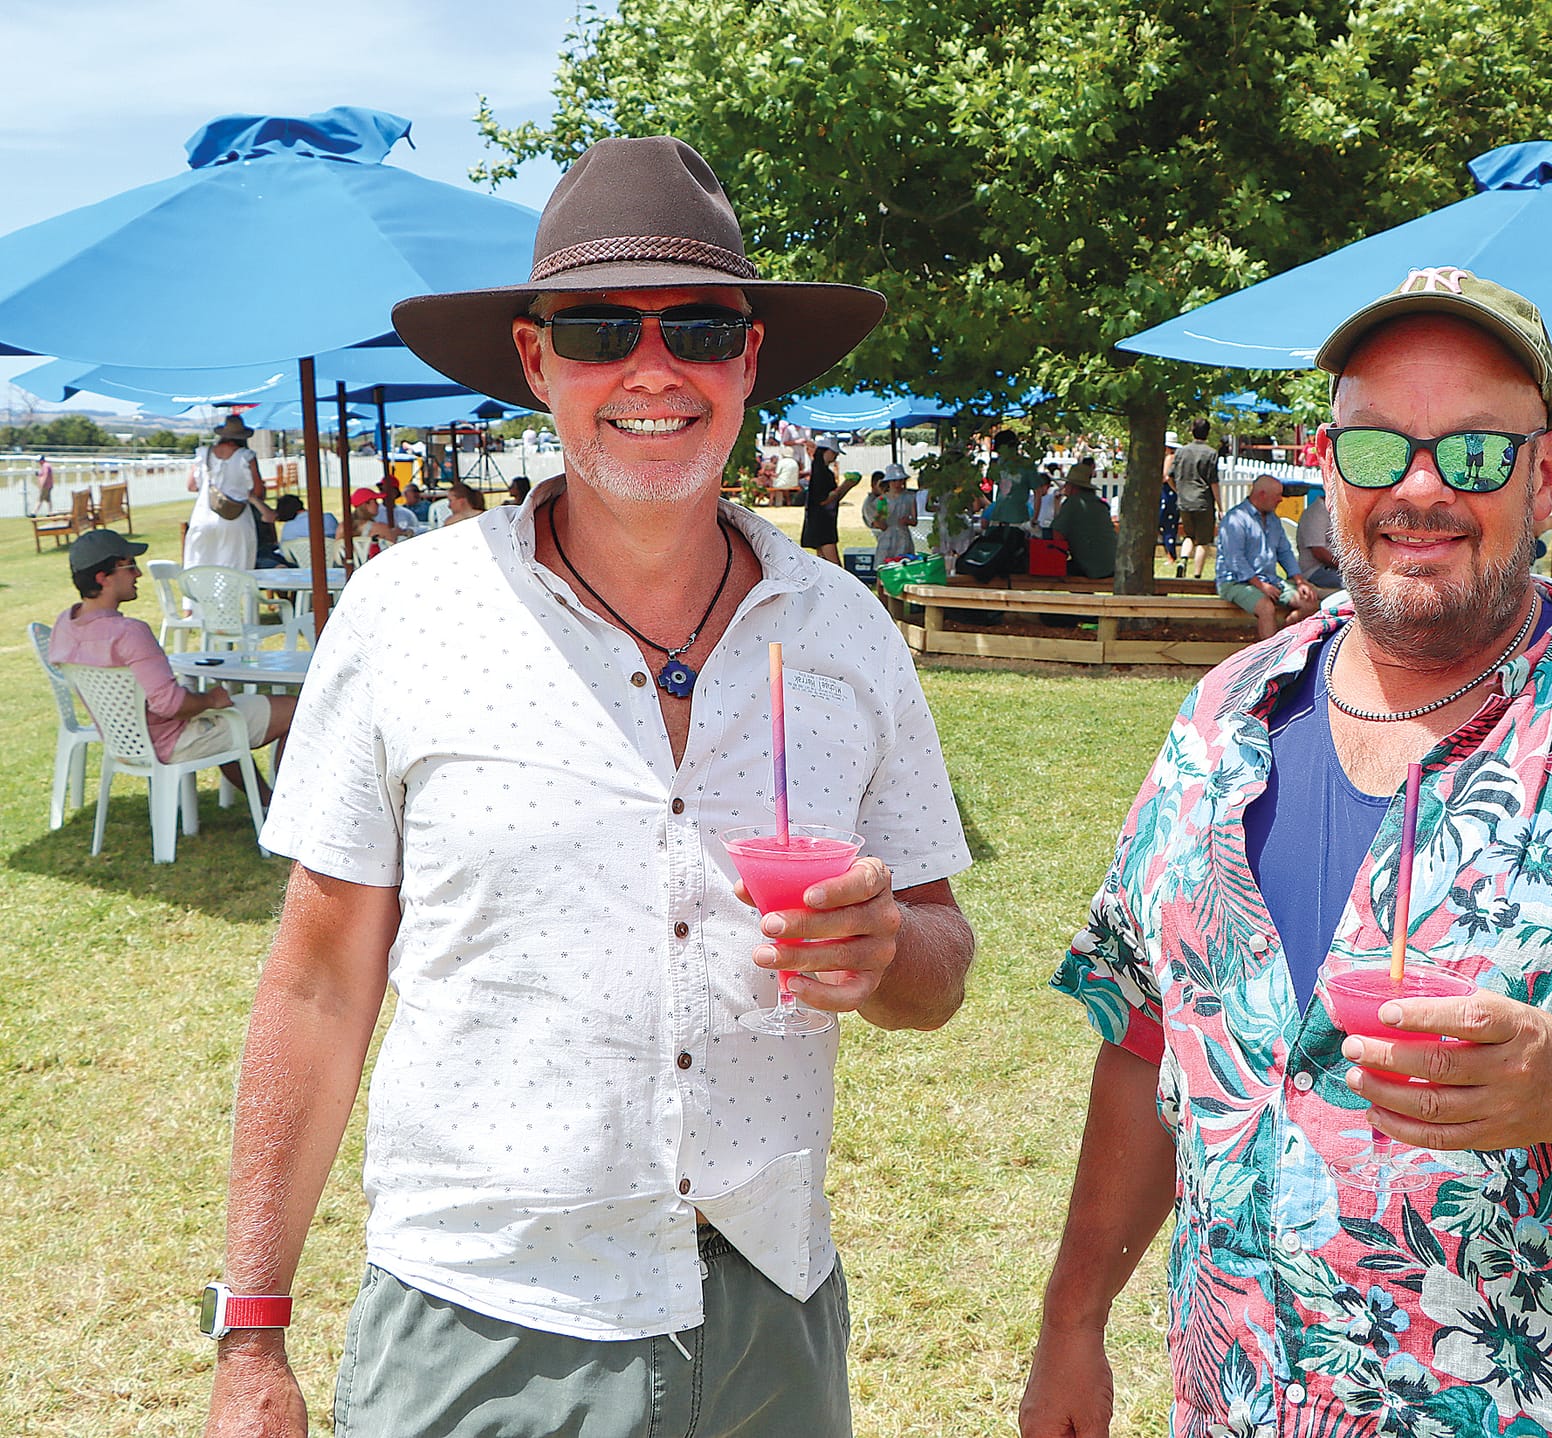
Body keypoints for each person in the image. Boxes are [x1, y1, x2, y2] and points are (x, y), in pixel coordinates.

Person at [1022, 267, 1552, 1438]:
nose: (1421, 489)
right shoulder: (1227, 716)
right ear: (1325, 465)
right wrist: (1072, 1321)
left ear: (1542, 473)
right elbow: (1145, 1040)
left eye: (1475, 453)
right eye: (1379, 447)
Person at [200, 134, 976, 1438]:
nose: (652, 367)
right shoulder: (407, 614)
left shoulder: (842, 632)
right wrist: (253, 1332)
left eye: (703, 326)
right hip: (480, 1328)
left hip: (769, 1323)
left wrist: (889, 944)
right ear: (535, 357)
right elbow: (320, 979)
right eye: (604, 324)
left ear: (749, 362)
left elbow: (941, 954)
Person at [50, 529, 294, 805]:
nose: (138, 574)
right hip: (175, 739)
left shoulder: (64, 626)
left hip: (125, 741)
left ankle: (268, 802)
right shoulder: (130, 633)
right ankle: (288, 807)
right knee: (297, 710)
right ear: (102, 577)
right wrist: (210, 699)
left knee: (224, 713)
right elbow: (171, 705)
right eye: (130, 566)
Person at [1214, 473, 1318, 639]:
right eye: (1278, 495)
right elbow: (1235, 560)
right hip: (1236, 581)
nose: (1281, 500)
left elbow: (1285, 552)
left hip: (1268, 580)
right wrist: (1260, 585)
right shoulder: (1235, 519)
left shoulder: (1273, 520)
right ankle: (1270, 660)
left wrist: (1300, 581)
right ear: (1262, 494)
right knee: (1266, 608)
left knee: (1309, 603)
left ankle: (1282, 641)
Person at [184, 415, 269, 571]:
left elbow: (191, 486)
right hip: (236, 519)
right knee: (236, 568)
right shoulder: (246, 456)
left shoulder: (203, 454)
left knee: (201, 565)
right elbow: (257, 493)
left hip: (203, 515)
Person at [1169, 417, 1221, 579]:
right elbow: (1213, 482)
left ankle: (1182, 561)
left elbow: (1169, 476)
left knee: (1189, 536)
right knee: (1203, 541)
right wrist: (1221, 506)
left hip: (1184, 502)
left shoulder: (1181, 452)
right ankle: (1197, 574)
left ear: (1192, 431)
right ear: (1208, 432)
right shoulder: (1211, 453)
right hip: (1203, 502)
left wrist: (1179, 491)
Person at [1050, 459, 1116, 580]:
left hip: (1091, 567)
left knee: (1052, 572)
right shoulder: (1099, 504)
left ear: (1073, 486)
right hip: (1113, 564)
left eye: (1067, 484)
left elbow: (1057, 535)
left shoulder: (1073, 503)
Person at [801, 441, 858, 561]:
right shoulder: (821, 473)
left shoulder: (824, 472)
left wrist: (848, 486)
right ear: (825, 451)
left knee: (823, 563)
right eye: (834, 452)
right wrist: (844, 486)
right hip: (822, 524)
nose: (836, 456)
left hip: (825, 521)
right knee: (834, 565)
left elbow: (834, 499)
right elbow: (823, 500)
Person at [984, 428, 1041, 531]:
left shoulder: (1026, 465)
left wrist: (1035, 518)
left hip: (1018, 520)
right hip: (997, 517)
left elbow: (1038, 491)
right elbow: (989, 484)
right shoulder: (999, 463)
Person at [336, 486, 401, 563]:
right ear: (366, 504)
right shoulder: (380, 528)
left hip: (348, 569)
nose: (378, 505)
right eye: (375, 501)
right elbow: (395, 547)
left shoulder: (342, 527)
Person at [1294, 490, 1341, 588]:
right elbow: (1319, 552)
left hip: (1334, 568)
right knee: (1351, 586)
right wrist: (1346, 567)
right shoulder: (1316, 514)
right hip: (1315, 570)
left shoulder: (1335, 512)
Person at [873, 468, 918, 567]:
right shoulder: (882, 500)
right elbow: (877, 522)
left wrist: (907, 520)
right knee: (883, 564)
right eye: (894, 481)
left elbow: (914, 521)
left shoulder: (910, 497)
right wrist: (879, 519)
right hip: (887, 534)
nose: (897, 484)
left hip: (903, 534)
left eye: (901, 480)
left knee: (903, 562)